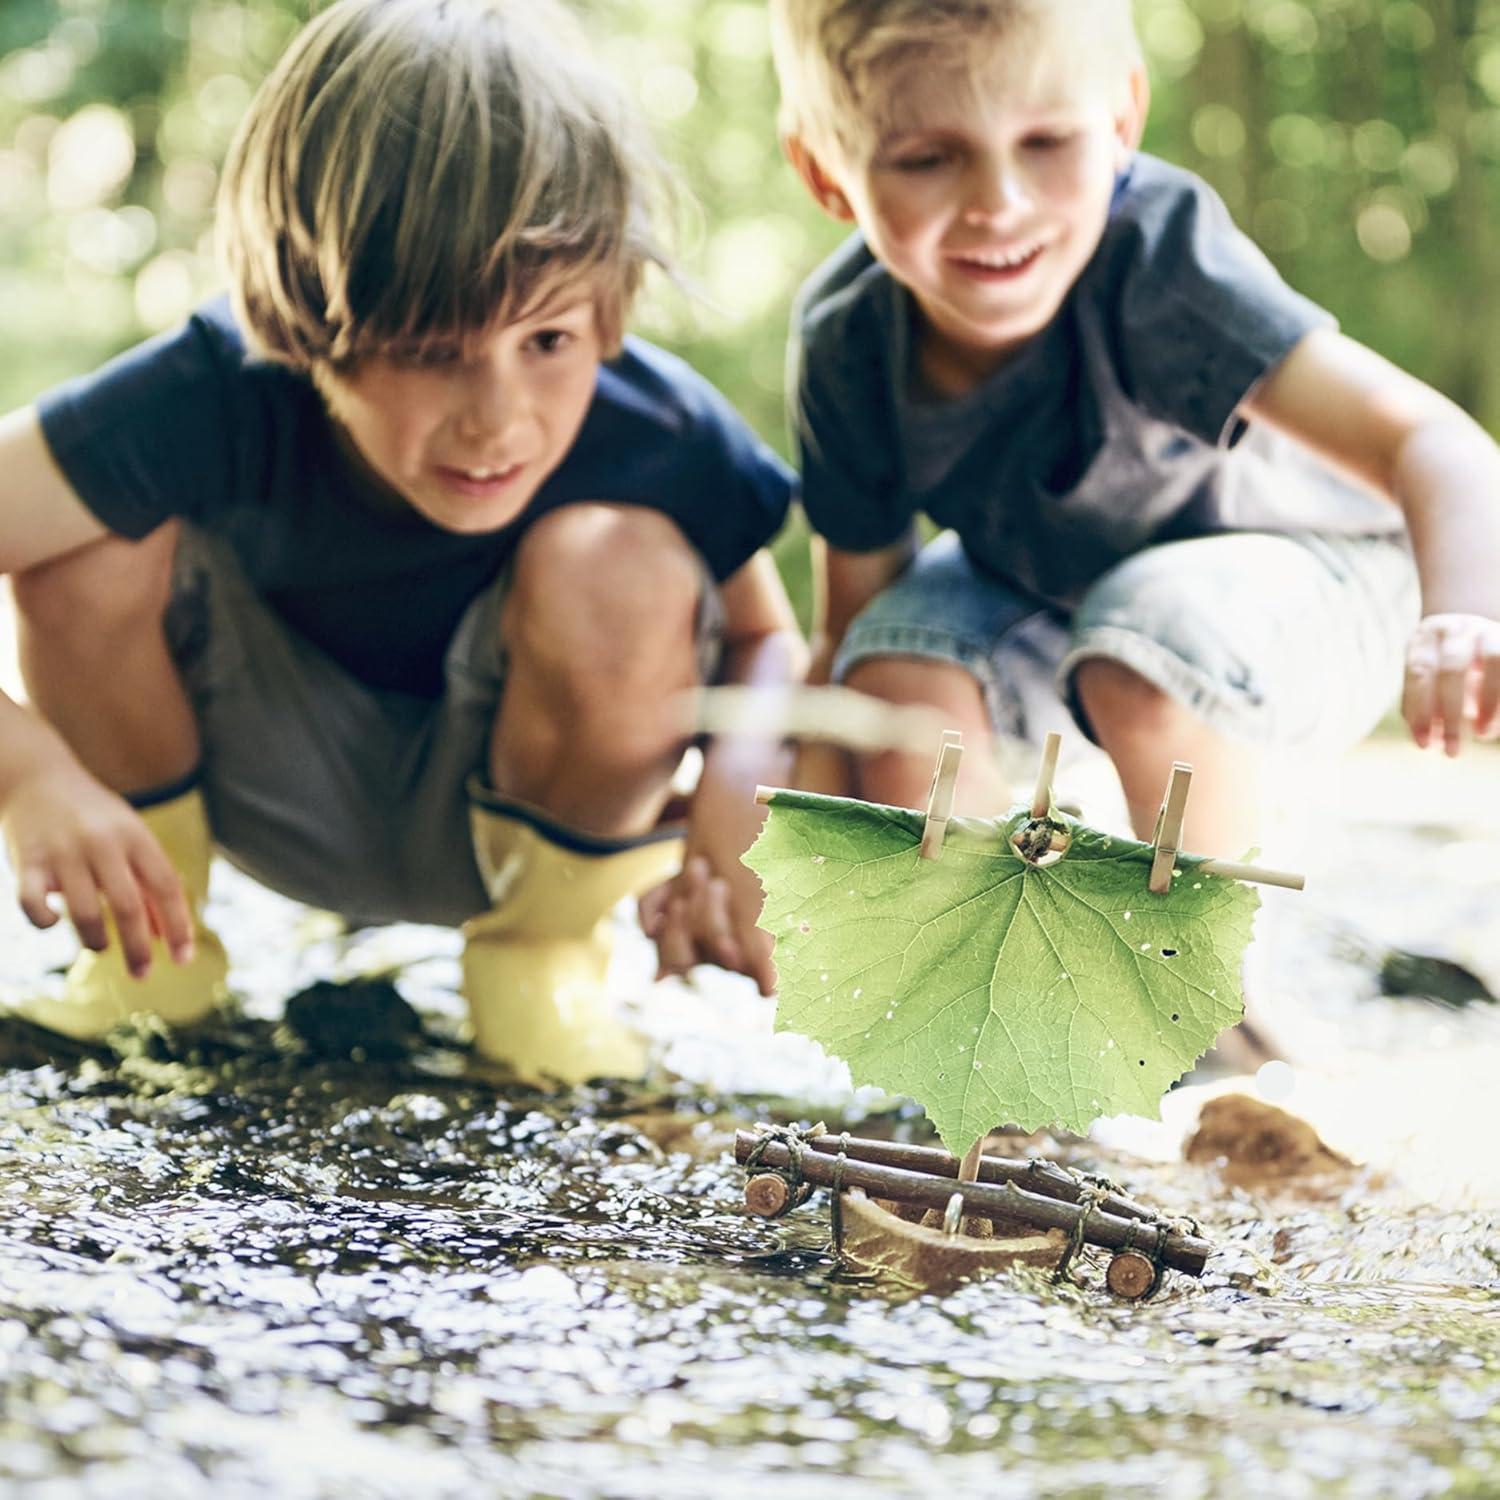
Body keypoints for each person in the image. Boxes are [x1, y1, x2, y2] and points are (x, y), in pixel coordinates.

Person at [0, 0, 804, 1083]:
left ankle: (540, 966)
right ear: (303, 313)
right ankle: (156, 954)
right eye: (431, 349)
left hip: (522, 826)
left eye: (550, 338)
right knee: (81, 535)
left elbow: (763, 639)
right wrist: (28, 777)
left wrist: (740, 796)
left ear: (613, 308)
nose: (498, 416)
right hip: (252, 789)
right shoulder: (208, 388)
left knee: (625, 565)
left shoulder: (659, 429)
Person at [768, 0, 1500, 875]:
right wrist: (789, 836)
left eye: (1047, 143)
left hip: (1322, 577)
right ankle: (968, 979)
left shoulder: (1157, 259)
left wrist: (1465, 616)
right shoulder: (850, 339)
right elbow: (851, 623)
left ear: (1120, 119)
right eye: (926, 158)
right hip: (1066, 596)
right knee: (893, 675)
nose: (999, 204)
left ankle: (1200, 983)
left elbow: (1431, 440)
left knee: (1140, 649)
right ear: (824, 173)